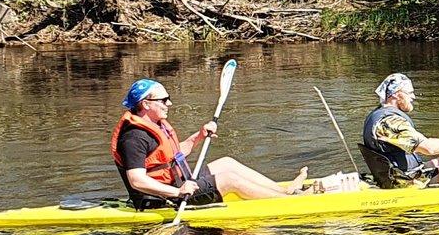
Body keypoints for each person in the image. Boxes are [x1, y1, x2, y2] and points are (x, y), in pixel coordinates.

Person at [111, 79, 304, 210]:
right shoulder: (133, 137)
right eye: (164, 100)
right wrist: (178, 191)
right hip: (162, 198)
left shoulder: (155, 124)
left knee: (227, 162)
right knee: (229, 179)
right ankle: (291, 203)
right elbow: (137, 180)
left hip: (178, 182)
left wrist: (200, 136)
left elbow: (174, 154)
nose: (169, 104)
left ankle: (285, 191)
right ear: (145, 104)